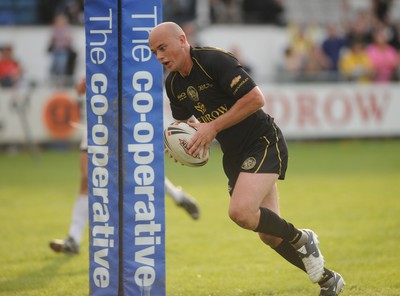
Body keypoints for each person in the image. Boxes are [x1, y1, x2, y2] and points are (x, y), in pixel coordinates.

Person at [148, 22, 345, 296]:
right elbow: (186, 126)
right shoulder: (174, 84)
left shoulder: (213, 60)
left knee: (240, 212)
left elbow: (255, 98)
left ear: (182, 40)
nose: (159, 56)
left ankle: (302, 237)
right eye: (154, 51)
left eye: (162, 47)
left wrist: (213, 127)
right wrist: (184, 146)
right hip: (234, 154)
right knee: (269, 234)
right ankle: (328, 279)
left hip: (262, 141)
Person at [49, 78, 200, 255]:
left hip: (127, 117)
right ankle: (73, 239)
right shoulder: (100, 53)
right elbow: (80, 88)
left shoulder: (133, 54)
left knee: (138, 169)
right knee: (87, 179)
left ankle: (176, 197)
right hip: (97, 121)